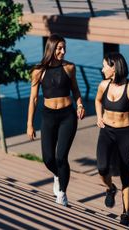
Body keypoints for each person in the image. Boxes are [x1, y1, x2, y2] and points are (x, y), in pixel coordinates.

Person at [27, 34, 85, 206]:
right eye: (59, 48)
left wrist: (80, 104)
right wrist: (30, 124)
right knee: (48, 159)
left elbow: (75, 90)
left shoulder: (69, 68)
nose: (63, 51)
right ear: (51, 49)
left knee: (61, 157)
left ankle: (62, 194)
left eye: (64, 48)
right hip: (48, 117)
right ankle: (58, 175)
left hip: (68, 116)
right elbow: (33, 99)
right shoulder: (38, 71)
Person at [95, 52, 129, 226]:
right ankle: (110, 188)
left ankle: (126, 213)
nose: (102, 69)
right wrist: (99, 116)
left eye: (104, 66)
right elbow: (98, 100)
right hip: (106, 132)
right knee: (101, 168)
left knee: (125, 174)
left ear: (114, 67)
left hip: (125, 134)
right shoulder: (103, 85)